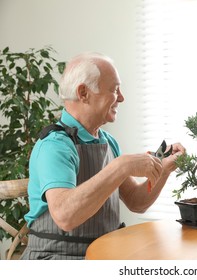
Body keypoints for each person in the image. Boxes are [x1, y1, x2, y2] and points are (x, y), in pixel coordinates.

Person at [21, 52, 185, 259]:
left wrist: (164, 169)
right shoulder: (55, 145)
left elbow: (137, 201)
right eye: (115, 89)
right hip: (56, 258)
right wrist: (121, 166)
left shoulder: (107, 141)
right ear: (84, 93)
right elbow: (65, 216)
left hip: (101, 256)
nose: (122, 98)